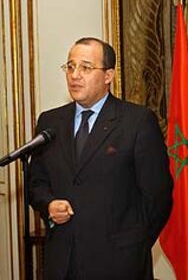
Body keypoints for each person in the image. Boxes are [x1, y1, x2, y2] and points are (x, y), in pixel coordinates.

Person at [29, 37, 173, 280]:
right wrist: (48, 205)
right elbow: (36, 182)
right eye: (70, 66)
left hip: (118, 265)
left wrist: (132, 245)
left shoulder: (137, 122)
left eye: (85, 67)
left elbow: (157, 196)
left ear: (108, 76)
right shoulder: (50, 122)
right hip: (62, 261)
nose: (75, 75)